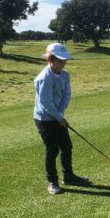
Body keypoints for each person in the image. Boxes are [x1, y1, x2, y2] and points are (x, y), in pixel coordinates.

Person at [34, 43, 89, 194]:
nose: (63, 63)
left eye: (64, 60)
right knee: (52, 150)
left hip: (57, 114)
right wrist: (58, 117)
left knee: (66, 146)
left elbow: (67, 95)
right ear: (49, 60)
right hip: (44, 119)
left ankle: (69, 176)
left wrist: (60, 114)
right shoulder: (44, 78)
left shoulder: (65, 74)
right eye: (59, 61)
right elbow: (45, 102)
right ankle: (52, 182)